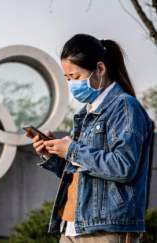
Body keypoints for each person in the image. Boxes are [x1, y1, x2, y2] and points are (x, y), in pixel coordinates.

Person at [25, 33, 154, 243]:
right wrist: (54, 156)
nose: (71, 85)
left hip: (106, 230)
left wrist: (72, 150)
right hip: (72, 226)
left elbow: (124, 167)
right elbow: (84, 174)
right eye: (67, 79)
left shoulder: (125, 107)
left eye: (75, 77)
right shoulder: (87, 114)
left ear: (100, 69)